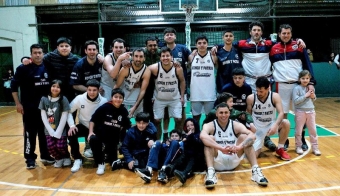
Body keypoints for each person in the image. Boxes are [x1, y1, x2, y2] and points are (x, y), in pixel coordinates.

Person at [270, 24, 316, 151]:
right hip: (281, 85)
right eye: (283, 33)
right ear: (279, 34)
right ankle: (283, 141)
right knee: (282, 115)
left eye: (288, 33)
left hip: (298, 85)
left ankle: (301, 140)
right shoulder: (273, 48)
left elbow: (307, 64)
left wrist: (311, 82)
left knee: (301, 114)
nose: (286, 35)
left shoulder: (299, 47)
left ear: (291, 34)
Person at [200, 103, 268, 189]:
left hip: (234, 158)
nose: (223, 115)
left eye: (226, 112)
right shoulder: (209, 125)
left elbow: (252, 135)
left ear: (229, 113)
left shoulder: (236, 124)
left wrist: (238, 147)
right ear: (216, 114)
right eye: (221, 113)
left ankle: (256, 172)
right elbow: (202, 136)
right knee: (209, 138)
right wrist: (220, 148)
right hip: (217, 161)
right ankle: (210, 173)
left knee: (245, 138)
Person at [11, 44, 54, 169]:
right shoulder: (23, 68)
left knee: (44, 133)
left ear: (43, 53)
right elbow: (14, 87)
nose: (37, 55)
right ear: (31, 54)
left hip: (46, 108)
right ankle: (29, 158)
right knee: (30, 134)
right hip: (29, 108)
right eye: (35, 53)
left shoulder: (48, 67)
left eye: (40, 52)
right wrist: (18, 103)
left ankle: (45, 155)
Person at [67, 79, 107, 173]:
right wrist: (72, 125)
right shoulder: (79, 99)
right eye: (89, 90)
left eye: (94, 90)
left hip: (96, 128)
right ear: (86, 89)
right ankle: (77, 159)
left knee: (94, 140)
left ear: (98, 90)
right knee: (72, 133)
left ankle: (100, 162)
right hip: (84, 125)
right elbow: (68, 111)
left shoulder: (103, 101)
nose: (91, 92)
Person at [88, 88, 131, 175]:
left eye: (120, 97)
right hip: (100, 135)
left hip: (112, 139)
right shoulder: (105, 107)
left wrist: (123, 142)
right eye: (116, 97)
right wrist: (90, 132)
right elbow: (93, 120)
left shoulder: (123, 111)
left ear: (123, 99)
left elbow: (127, 126)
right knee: (93, 139)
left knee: (113, 162)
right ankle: (100, 163)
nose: (118, 99)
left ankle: (108, 155)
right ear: (112, 97)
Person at [21, 37, 80, 102]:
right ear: (57, 47)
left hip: (70, 91)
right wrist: (25, 58)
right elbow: (38, 58)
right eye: (61, 46)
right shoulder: (50, 56)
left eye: (66, 46)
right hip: (54, 91)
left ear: (70, 48)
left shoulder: (75, 59)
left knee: (70, 110)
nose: (64, 48)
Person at [246, 77, 291, 160]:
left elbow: (281, 113)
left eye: (261, 91)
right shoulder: (251, 98)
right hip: (257, 129)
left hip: (270, 126)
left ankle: (280, 149)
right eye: (257, 91)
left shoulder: (275, 96)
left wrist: (275, 125)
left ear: (268, 88)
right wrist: (250, 127)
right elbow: (248, 115)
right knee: (253, 157)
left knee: (286, 122)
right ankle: (259, 145)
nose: (259, 93)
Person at [148, 47, 186, 139]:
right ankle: (157, 142)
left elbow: (182, 81)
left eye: (167, 56)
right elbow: (143, 71)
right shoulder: (154, 68)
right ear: (160, 58)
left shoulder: (177, 68)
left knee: (179, 119)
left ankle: (176, 140)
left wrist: (181, 96)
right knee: (157, 120)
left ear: (172, 57)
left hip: (174, 98)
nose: (165, 58)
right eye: (163, 56)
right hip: (159, 98)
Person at [163, 27, 193, 139]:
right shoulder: (161, 50)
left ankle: (180, 133)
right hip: (165, 86)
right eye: (167, 34)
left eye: (171, 34)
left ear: (175, 36)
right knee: (166, 111)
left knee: (181, 112)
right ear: (164, 37)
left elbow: (192, 61)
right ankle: (166, 135)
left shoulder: (183, 49)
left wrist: (186, 68)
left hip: (180, 86)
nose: (169, 36)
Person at [39, 79, 71, 168]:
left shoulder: (63, 99)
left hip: (61, 129)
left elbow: (65, 115)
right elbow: (43, 115)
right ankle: (59, 158)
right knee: (50, 147)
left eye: (58, 87)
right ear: (50, 87)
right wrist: (50, 130)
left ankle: (66, 157)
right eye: (53, 86)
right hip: (48, 130)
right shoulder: (44, 99)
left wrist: (58, 132)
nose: (55, 88)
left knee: (61, 146)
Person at [114, 48, 151, 117]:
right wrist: (113, 102)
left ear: (144, 58)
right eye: (136, 56)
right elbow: (117, 86)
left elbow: (143, 91)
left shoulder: (146, 71)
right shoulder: (126, 68)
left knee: (140, 120)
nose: (138, 59)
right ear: (132, 57)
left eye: (141, 56)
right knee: (122, 120)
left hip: (137, 98)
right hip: (124, 96)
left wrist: (135, 107)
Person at [189, 35, 218, 123]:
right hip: (195, 93)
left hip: (209, 94)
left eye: (204, 43)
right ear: (196, 45)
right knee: (195, 118)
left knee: (209, 118)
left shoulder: (213, 56)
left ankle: (207, 135)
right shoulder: (191, 56)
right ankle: (196, 135)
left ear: (207, 44)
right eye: (199, 43)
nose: (202, 45)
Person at [167, 118, 205, 184]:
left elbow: (199, 146)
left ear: (195, 125)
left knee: (193, 156)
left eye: (191, 125)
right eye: (188, 126)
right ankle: (171, 168)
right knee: (183, 155)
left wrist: (191, 136)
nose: (190, 127)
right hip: (188, 158)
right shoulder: (185, 136)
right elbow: (187, 149)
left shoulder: (201, 134)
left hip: (198, 159)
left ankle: (184, 174)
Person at [292, 70, 321, 156]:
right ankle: (298, 146)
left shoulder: (311, 88)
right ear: (299, 79)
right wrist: (306, 95)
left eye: (307, 78)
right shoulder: (296, 88)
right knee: (298, 131)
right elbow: (296, 101)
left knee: (313, 131)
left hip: (311, 111)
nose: (305, 80)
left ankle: (315, 148)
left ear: (310, 79)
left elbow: (314, 99)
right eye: (303, 78)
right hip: (300, 111)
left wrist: (313, 96)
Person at [143, 37, 161, 122]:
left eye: (155, 45)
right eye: (150, 45)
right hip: (146, 82)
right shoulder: (142, 53)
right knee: (147, 104)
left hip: (160, 82)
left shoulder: (161, 53)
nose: (153, 47)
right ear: (146, 46)